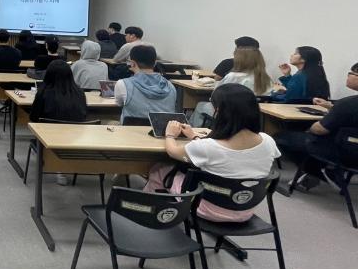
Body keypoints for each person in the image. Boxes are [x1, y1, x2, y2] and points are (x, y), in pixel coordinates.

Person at [144, 84, 281, 222]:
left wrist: (170, 135)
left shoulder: (208, 147)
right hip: (245, 209)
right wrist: (194, 136)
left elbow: (173, 152)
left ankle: (152, 212)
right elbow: (224, 153)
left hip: (206, 209)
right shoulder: (268, 141)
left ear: (219, 111)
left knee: (160, 169)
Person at [275, 62, 358, 191]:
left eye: (351, 73)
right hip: (351, 149)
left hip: (343, 154)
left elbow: (319, 129)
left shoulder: (348, 104)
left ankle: (320, 172)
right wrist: (332, 107)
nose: (348, 76)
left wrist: (310, 128)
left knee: (282, 137)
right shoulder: (346, 105)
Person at [190, 47, 272, 126]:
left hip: (230, 114)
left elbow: (215, 96)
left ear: (240, 61)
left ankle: (195, 131)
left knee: (201, 105)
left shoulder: (233, 76)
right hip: (254, 117)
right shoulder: (266, 79)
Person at [114, 44, 177, 124]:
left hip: (131, 130)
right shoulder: (170, 86)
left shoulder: (123, 84)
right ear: (155, 63)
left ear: (132, 63)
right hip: (162, 130)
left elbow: (118, 104)